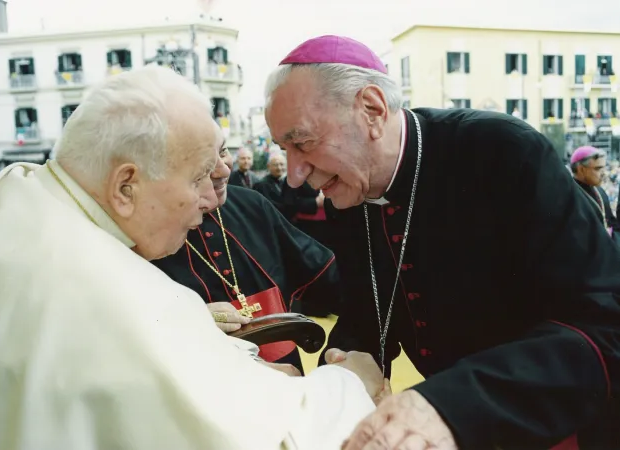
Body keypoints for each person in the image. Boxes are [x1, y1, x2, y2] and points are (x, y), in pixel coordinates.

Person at [0, 65, 385, 449]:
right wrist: (348, 386)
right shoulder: (107, 296)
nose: (211, 196)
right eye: (198, 175)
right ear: (126, 186)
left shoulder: (9, 198)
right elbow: (270, 436)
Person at [264, 35, 620, 449]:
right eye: (283, 149)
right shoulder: (350, 192)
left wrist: (452, 404)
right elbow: (370, 306)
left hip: (559, 426)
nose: (293, 174)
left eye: (303, 143)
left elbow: (602, 323)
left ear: (372, 110)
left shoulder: (501, 151)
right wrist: (350, 358)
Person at [153, 145, 339, 372]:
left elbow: (324, 274)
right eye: (203, 159)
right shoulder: (146, 235)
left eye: (222, 151)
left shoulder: (252, 204)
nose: (223, 170)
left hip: (288, 375)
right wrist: (189, 320)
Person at [570, 146, 618, 238]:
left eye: (604, 168)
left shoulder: (600, 191)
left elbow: (612, 223)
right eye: (598, 168)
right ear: (581, 169)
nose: (604, 173)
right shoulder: (569, 196)